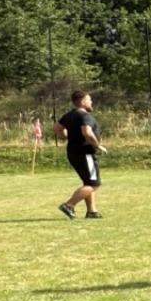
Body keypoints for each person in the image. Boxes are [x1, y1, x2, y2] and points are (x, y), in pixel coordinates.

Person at [56, 90, 106, 219]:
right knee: (94, 184)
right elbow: (87, 132)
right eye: (89, 100)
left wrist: (66, 137)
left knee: (87, 182)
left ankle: (92, 211)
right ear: (83, 101)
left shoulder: (69, 115)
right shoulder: (85, 116)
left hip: (73, 152)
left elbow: (57, 128)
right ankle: (69, 205)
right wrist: (97, 145)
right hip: (86, 153)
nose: (91, 102)